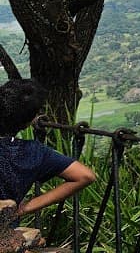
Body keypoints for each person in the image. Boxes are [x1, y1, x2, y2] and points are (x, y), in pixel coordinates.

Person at [0, 80, 96, 253]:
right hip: (6, 237)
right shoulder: (33, 152)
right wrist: (25, 208)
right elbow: (85, 176)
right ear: (29, 121)